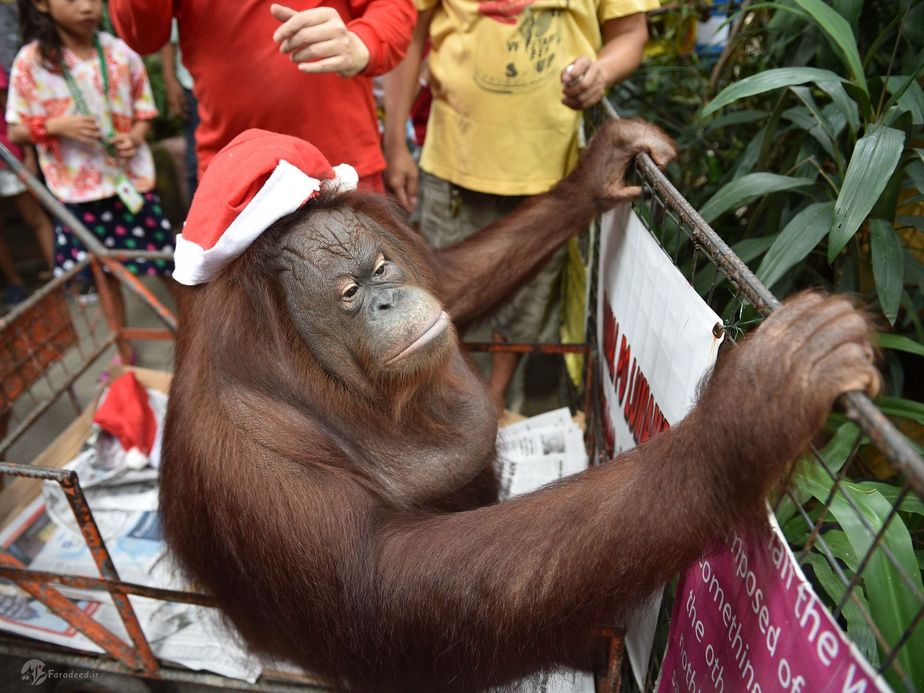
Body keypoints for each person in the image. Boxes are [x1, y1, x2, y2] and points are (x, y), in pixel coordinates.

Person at [383, 0, 656, 413]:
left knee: (528, 325)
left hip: (549, 178)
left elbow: (631, 33)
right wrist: (395, 144)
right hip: (454, 167)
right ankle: (443, 417)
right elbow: (410, 31)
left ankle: (504, 412)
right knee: (437, 313)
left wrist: (599, 72)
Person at [108, 1, 416, 192]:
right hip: (236, 176)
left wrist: (362, 42)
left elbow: (393, 7)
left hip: (340, 165)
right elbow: (141, 35)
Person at [6, 0, 174, 338]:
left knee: (167, 263)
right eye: (72, 0)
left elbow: (145, 111)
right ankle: (123, 351)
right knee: (103, 275)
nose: (87, 7)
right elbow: (15, 130)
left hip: (130, 186)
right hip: (78, 196)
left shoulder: (120, 52)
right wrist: (57, 126)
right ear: (42, 4)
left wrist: (135, 138)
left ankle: (200, 337)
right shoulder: (31, 62)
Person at [0, 66, 53, 306]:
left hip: (8, 156)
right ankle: (14, 283)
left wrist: (28, 153)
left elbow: (14, 113)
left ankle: (60, 274)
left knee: (35, 217)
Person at [159, 18, 197, 204]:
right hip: (192, 85)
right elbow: (169, 32)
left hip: (239, 85)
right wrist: (170, 78)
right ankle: (199, 226)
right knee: (195, 161)